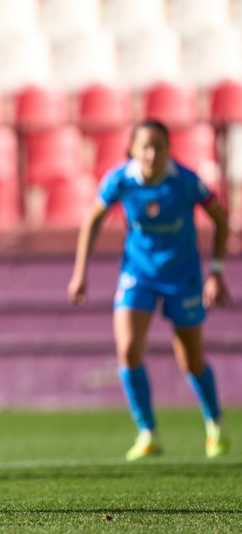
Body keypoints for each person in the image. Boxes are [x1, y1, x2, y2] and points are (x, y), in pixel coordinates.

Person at [68, 118, 231, 460]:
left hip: (182, 274)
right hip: (137, 273)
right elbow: (93, 219)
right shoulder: (120, 180)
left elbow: (220, 217)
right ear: (132, 150)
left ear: (168, 149)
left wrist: (215, 272)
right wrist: (79, 272)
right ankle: (148, 432)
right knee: (127, 349)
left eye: (159, 146)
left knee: (191, 358)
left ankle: (214, 423)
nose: (152, 153)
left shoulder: (185, 181)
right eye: (145, 146)